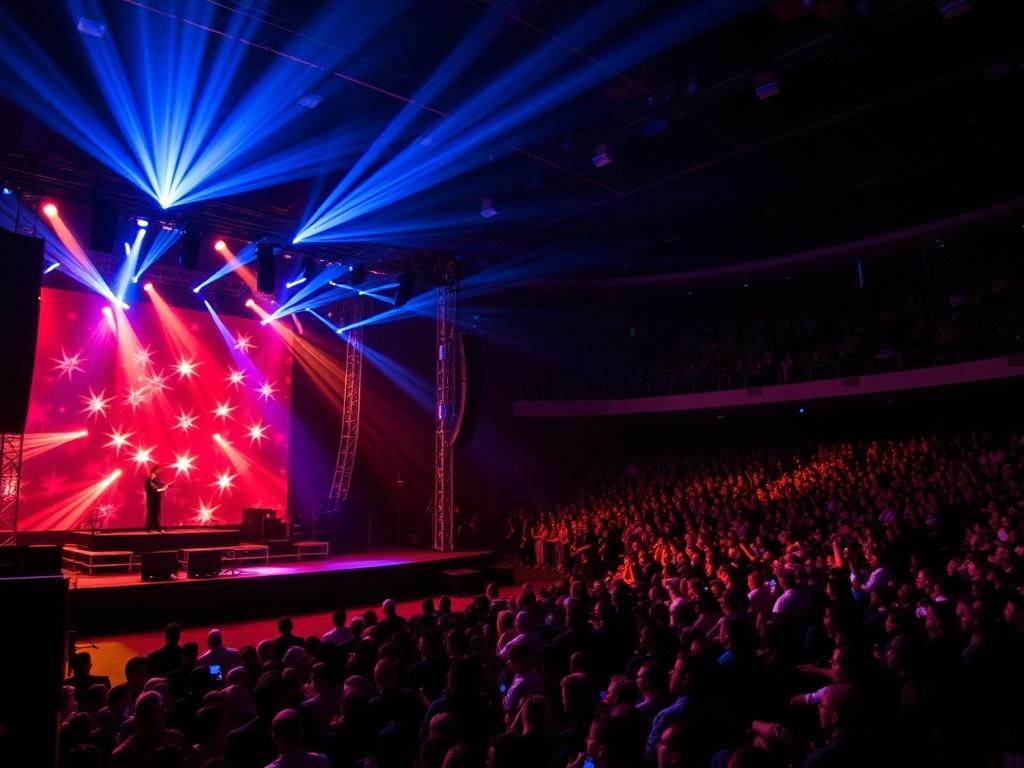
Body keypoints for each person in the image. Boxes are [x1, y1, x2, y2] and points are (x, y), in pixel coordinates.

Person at [145, 465, 172, 531]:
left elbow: (159, 485)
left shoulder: (154, 481)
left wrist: (166, 485)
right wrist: (165, 488)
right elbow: (156, 490)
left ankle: (155, 526)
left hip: (156, 499)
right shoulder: (149, 481)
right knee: (151, 512)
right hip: (151, 499)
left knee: (156, 512)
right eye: (158, 470)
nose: (159, 472)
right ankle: (148, 527)